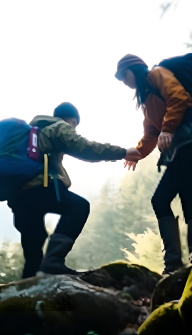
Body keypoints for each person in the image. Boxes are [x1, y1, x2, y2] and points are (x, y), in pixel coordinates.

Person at [10, 102, 141, 278]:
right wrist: (123, 152)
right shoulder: (58, 127)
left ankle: (26, 290)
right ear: (70, 121)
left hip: (17, 195)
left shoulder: (28, 132)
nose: (74, 129)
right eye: (74, 125)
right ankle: (53, 262)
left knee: (34, 242)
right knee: (78, 207)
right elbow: (85, 149)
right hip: (39, 189)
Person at [115, 54, 192, 274]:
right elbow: (151, 132)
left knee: (160, 199)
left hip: (191, 139)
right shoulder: (145, 98)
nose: (124, 81)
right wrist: (136, 153)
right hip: (181, 148)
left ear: (135, 69)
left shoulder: (156, 75)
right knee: (189, 198)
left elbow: (178, 98)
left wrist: (168, 129)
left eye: (124, 75)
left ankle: (173, 264)